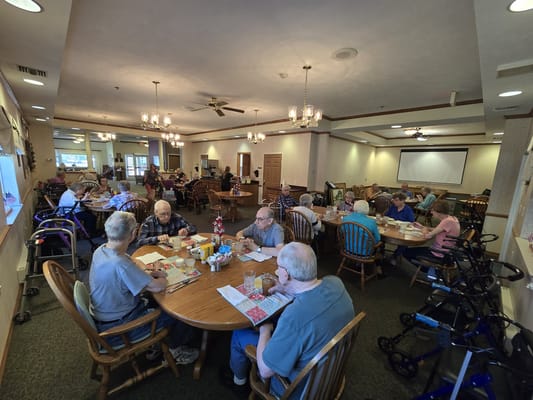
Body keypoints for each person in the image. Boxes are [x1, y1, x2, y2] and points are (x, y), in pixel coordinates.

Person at [222, 242, 355, 398]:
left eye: (279, 268)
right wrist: (286, 288)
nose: (277, 271)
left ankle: (239, 382)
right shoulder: (335, 282)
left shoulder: (294, 316)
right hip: (329, 368)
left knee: (240, 333)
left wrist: (265, 329)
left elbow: (266, 370)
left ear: (286, 274)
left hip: (298, 388)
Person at [89, 211, 199, 364]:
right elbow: (158, 286)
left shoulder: (101, 250)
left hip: (105, 317)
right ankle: (177, 349)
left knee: (152, 299)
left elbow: (133, 263)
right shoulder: (120, 264)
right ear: (134, 233)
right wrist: (162, 275)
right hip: (120, 327)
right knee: (180, 313)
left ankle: (157, 343)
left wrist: (148, 272)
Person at [403, 199, 460, 264]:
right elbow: (437, 230)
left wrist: (424, 230)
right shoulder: (451, 218)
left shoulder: (447, 222)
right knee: (410, 251)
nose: (431, 212)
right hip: (447, 251)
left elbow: (428, 236)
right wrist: (423, 227)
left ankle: (432, 269)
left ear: (438, 211)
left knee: (405, 252)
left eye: (432, 210)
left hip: (439, 253)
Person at [385, 192, 415, 264]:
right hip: (391, 228)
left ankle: (395, 256)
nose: (395, 202)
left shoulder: (408, 209)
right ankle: (381, 253)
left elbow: (411, 222)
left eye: (397, 200)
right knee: (380, 237)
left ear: (403, 200)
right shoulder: (392, 207)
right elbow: (386, 216)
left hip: (402, 230)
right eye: (394, 200)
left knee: (404, 243)